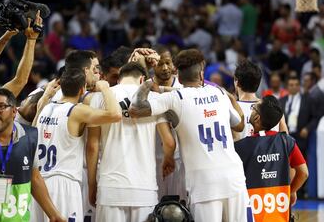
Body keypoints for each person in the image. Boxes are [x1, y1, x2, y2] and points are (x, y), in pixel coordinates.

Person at [129, 49, 250, 222]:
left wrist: (148, 81)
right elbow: (239, 124)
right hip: (234, 177)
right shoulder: (219, 93)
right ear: (201, 75)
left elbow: (134, 109)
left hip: (204, 183)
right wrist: (229, 95)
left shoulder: (175, 97)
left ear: (177, 73)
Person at [87, 62, 176, 222]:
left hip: (110, 188)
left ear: (119, 79)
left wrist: (92, 185)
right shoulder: (154, 98)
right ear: (142, 79)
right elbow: (169, 142)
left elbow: (92, 146)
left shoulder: (100, 97)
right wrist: (168, 159)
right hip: (144, 189)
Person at [30, 68, 121, 222]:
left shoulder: (45, 108)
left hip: (39, 184)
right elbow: (115, 114)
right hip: (64, 184)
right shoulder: (76, 111)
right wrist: (105, 88)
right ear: (82, 89)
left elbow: (31, 135)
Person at [0, 88, 65, 222]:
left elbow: (34, 177)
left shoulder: (30, 137)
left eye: (1, 106)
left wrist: (53, 214)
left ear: (14, 111)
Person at [235, 96, 308, 222]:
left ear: (257, 118)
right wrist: (291, 191)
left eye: (254, 108)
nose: (252, 110)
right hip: (280, 216)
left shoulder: (241, 146)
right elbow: (304, 173)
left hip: (253, 215)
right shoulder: (287, 142)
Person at [150, 46, 186, 201]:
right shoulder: (144, 87)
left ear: (174, 65)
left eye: (168, 63)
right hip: (152, 158)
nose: (164, 68)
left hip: (179, 157)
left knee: (179, 207)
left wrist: (161, 90)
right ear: (152, 65)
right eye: (160, 64)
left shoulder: (184, 88)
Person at [233, 60, 288, 141]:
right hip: (270, 152)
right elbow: (286, 141)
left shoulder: (230, 108)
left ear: (237, 82)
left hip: (240, 152)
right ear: (258, 83)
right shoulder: (273, 106)